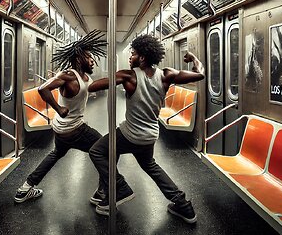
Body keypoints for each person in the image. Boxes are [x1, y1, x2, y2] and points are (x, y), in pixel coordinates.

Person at [88, 34, 205, 224]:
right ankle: (183, 205)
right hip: (150, 136)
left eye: (132, 54)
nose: (130, 57)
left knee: (97, 151)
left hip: (129, 134)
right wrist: (193, 58)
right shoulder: (167, 75)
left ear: (142, 57)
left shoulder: (129, 75)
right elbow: (199, 74)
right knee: (149, 165)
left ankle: (119, 188)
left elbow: (93, 87)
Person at [14, 30, 108, 204]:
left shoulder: (85, 77)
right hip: (74, 129)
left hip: (62, 128)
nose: (93, 60)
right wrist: (58, 108)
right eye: (89, 57)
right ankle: (103, 192)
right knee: (107, 151)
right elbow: (43, 89)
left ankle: (25, 188)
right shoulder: (68, 75)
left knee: (56, 153)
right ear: (79, 58)